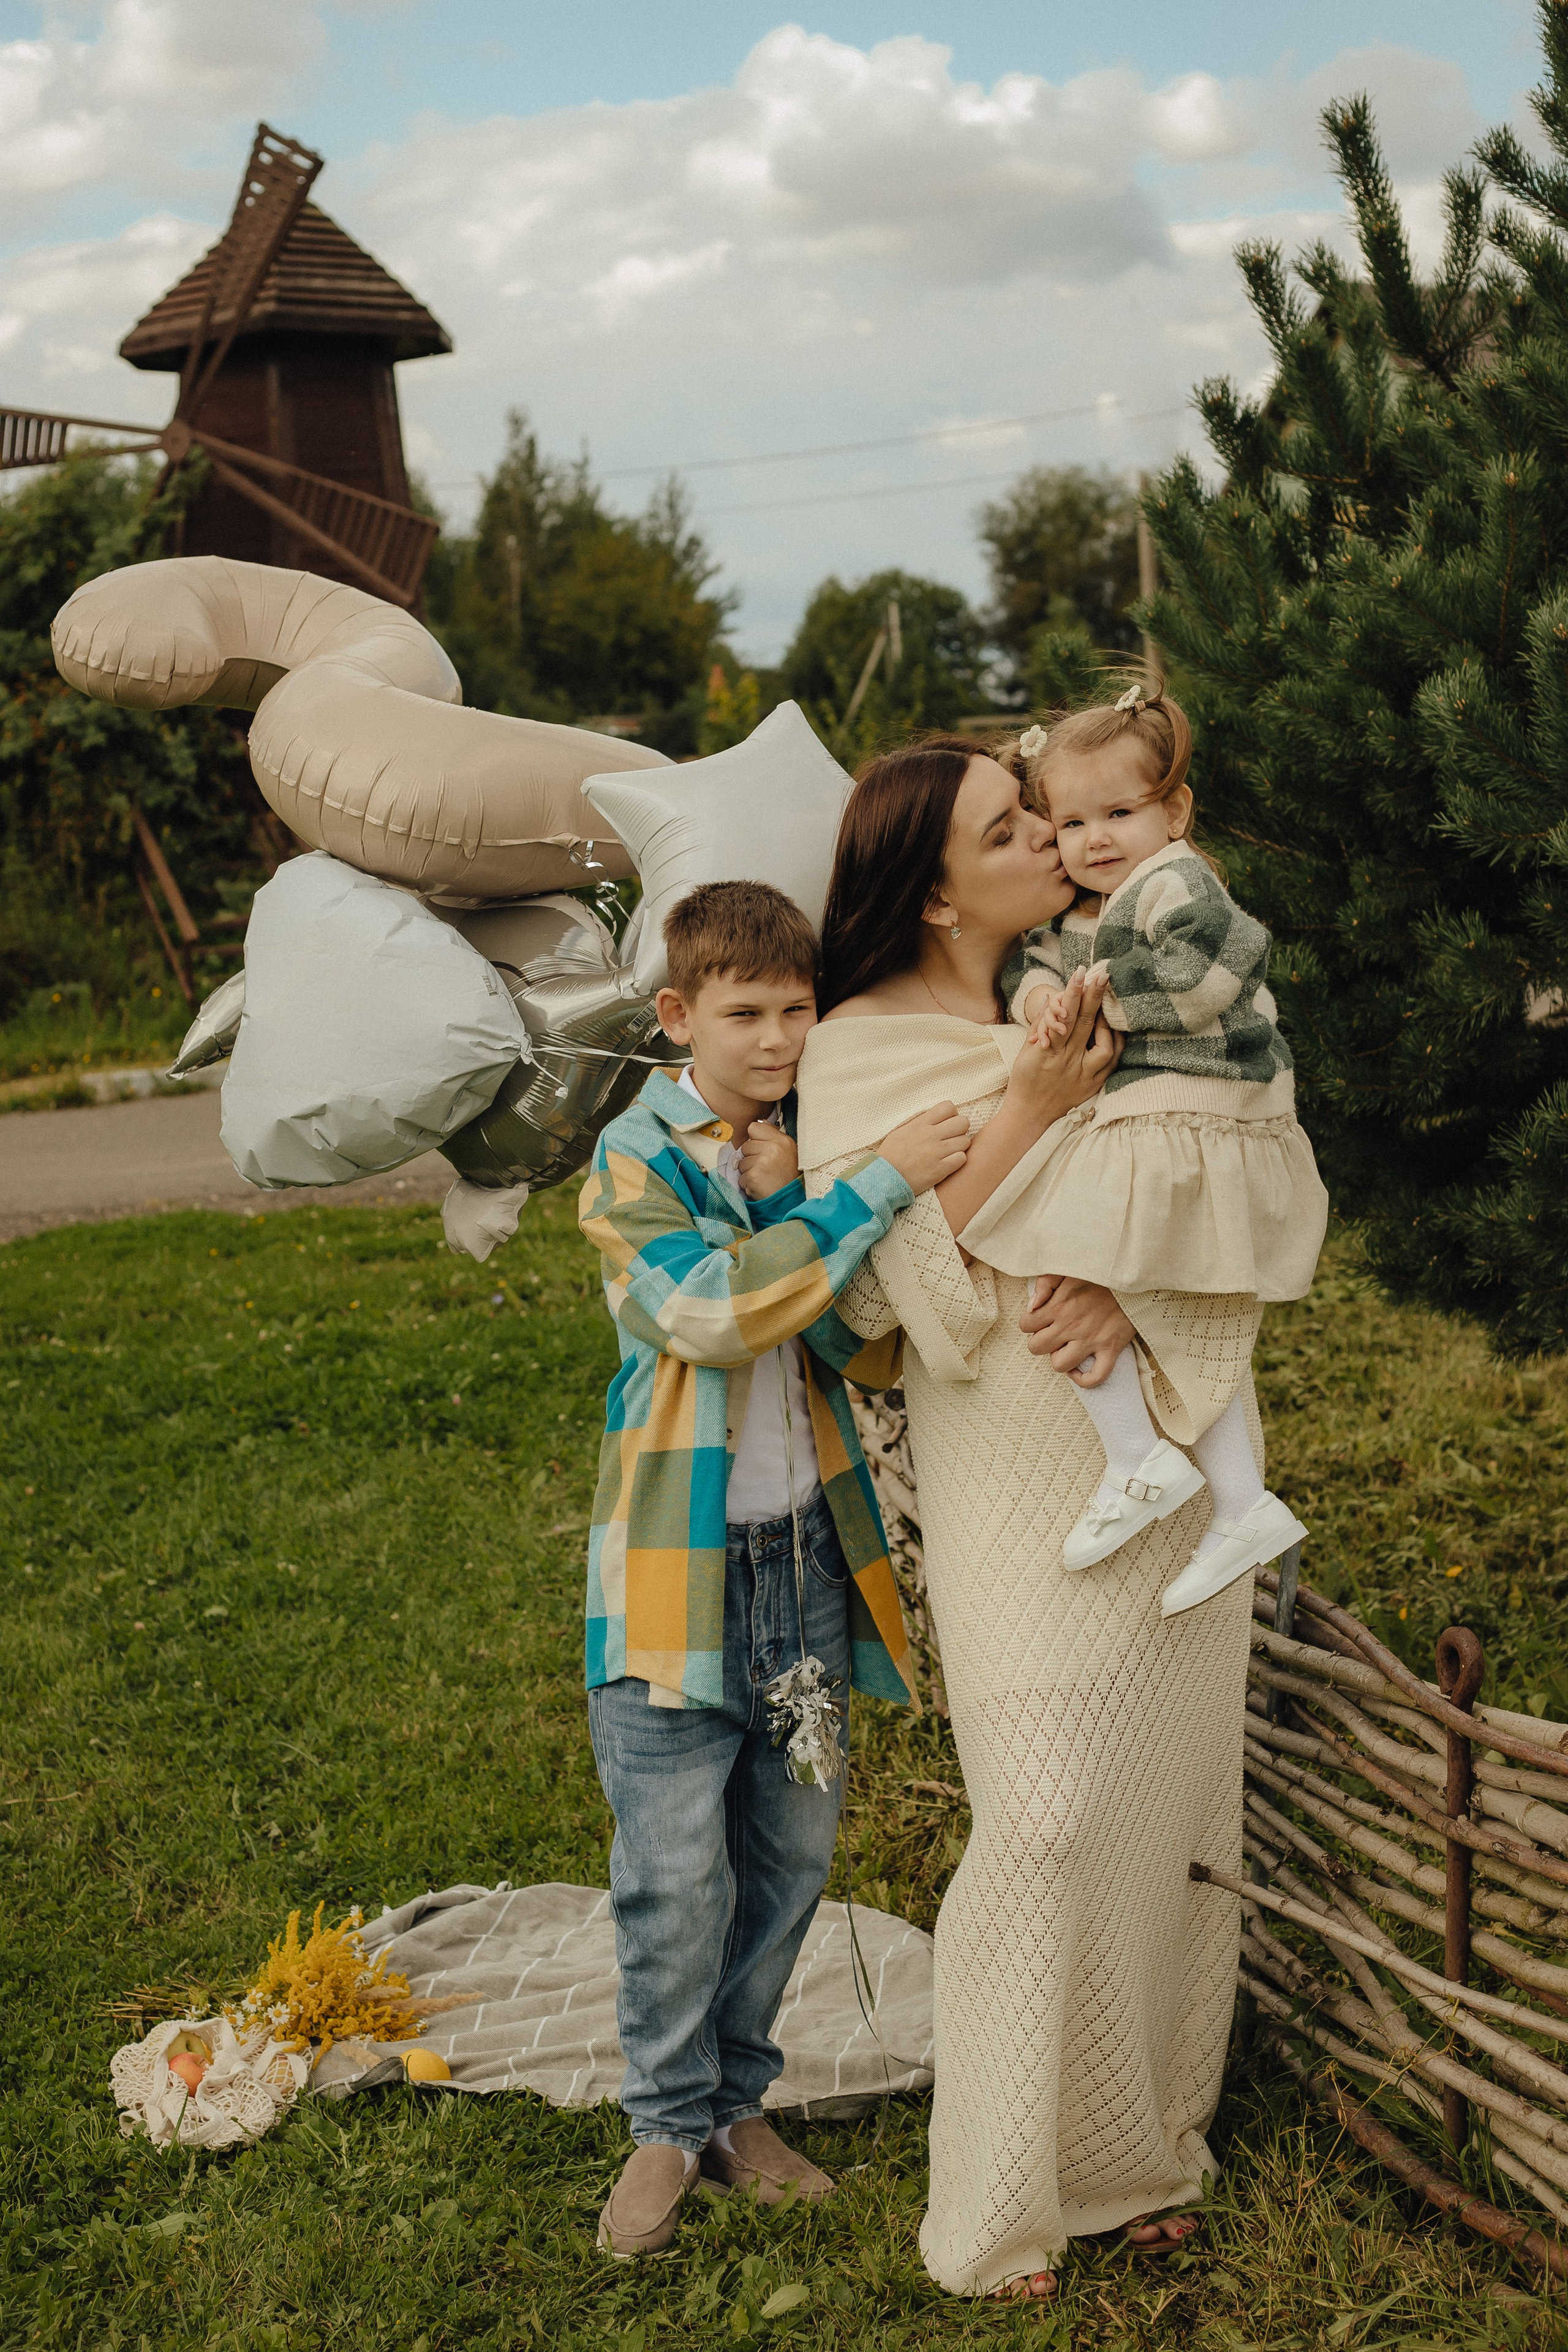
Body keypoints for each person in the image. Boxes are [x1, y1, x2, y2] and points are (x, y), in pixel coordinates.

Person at [794, 738, 1259, 2300]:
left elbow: (1208, 1181)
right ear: (932, 886)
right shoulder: (855, 1046)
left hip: (1153, 1435)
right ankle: (993, 2202)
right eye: (1012, 831)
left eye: (1049, 819)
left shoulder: (1098, 984)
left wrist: (1130, 1299)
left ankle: (1140, 2154)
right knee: (1048, 1814)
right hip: (1006, 1461)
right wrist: (1033, 1103)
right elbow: (879, 1285)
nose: (1054, 845)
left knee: (1165, 1818)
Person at [577, 878, 971, 2261]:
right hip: (679, 1575)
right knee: (673, 1872)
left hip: (801, 1560)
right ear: (679, 1015)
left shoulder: (799, 1147)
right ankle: (661, 2126)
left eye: (798, 1009)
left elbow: (857, 1348)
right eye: (745, 1013)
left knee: (791, 1853)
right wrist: (864, 1190)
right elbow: (708, 1314)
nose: (777, 1038)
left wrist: (808, 1192)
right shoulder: (632, 1161)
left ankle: (739, 2108)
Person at [959, 682, 1328, 1616]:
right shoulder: (1087, 909)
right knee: (1072, 1269)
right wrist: (1039, 1001)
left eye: (1120, 812)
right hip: (1155, 1116)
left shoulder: (1177, 882)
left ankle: (1140, 1462)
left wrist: (1089, 1000)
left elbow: (1205, 975)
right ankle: (1234, 1500)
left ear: (1174, 810)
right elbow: (1038, 970)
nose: (1095, 839)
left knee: (1075, 1255)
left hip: (1206, 1109)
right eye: (1071, 820)